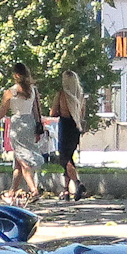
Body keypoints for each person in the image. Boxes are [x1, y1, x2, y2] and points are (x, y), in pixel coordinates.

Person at [0, 63, 44, 204]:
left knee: (22, 160)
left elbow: (2, 111)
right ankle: (12, 192)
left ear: (16, 75)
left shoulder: (10, 92)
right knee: (18, 160)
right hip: (30, 123)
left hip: (17, 124)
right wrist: (38, 126)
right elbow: (37, 111)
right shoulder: (33, 90)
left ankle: (33, 189)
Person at [55, 69, 88, 201]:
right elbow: (82, 114)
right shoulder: (80, 95)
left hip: (65, 125)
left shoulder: (62, 94)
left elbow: (53, 112)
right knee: (69, 159)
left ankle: (78, 183)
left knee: (64, 158)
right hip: (75, 127)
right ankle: (66, 190)